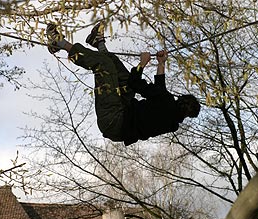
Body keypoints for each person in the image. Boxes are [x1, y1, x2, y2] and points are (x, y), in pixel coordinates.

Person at [46, 22, 200, 146]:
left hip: (114, 118)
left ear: (179, 98)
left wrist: (142, 64)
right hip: (120, 119)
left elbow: (137, 83)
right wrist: (161, 63)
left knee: (103, 65)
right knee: (123, 77)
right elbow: (159, 91)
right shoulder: (171, 120)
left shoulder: (167, 103)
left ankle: (58, 42)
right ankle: (98, 42)